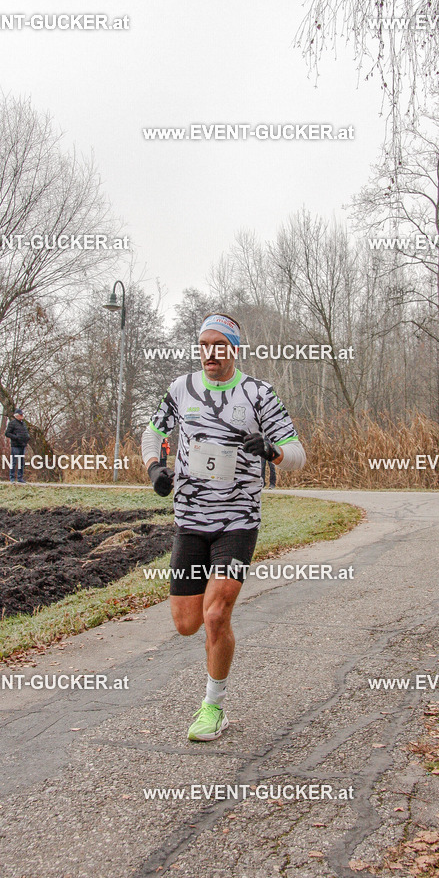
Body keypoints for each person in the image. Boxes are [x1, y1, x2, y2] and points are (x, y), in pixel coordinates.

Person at [141, 312, 306, 741]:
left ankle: (213, 707)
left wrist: (272, 452)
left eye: (219, 346)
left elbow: (298, 453)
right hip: (191, 521)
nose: (210, 353)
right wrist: (155, 467)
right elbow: (151, 431)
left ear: (234, 349)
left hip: (237, 520)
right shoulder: (182, 388)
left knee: (216, 614)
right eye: (203, 346)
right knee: (186, 623)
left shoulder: (258, 393)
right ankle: (214, 691)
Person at [4, 408, 30, 484]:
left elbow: (26, 432)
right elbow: (7, 433)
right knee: (14, 462)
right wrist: (16, 437)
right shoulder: (12, 423)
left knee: (21, 462)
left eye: (22, 414)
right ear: (17, 416)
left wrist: (27, 437)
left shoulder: (24, 423)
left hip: (23, 445)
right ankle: (12, 478)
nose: (22, 416)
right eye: (20, 415)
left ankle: (20, 478)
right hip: (15, 445)